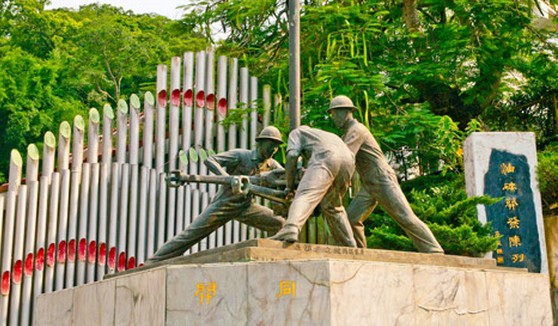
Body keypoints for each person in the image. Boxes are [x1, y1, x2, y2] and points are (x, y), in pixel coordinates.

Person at [146, 126, 286, 263]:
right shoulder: (241, 155)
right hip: (224, 204)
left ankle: (270, 257)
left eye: (276, 146)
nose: (273, 149)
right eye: (271, 144)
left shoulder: (272, 165)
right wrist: (227, 178)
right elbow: (210, 160)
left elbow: (284, 177)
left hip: (246, 207)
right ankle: (155, 261)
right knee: (191, 235)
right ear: (261, 143)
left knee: (280, 224)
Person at [328, 95, 444, 253]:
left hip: (381, 178)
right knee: (351, 219)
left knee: (404, 216)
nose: (333, 118)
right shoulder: (348, 133)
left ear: (346, 112)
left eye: (335, 113)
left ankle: (434, 250)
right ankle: (359, 254)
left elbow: (345, 157)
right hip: (369, 183)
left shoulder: (357, 130)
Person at [270, 126, 356, 247]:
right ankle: (349, 243)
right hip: (349, 161)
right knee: (333, 206)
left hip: (327, 156)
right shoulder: (324, 135)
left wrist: (289, 186)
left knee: (305, 194)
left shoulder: (296, 133)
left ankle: (291, 227)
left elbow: (292, 156)